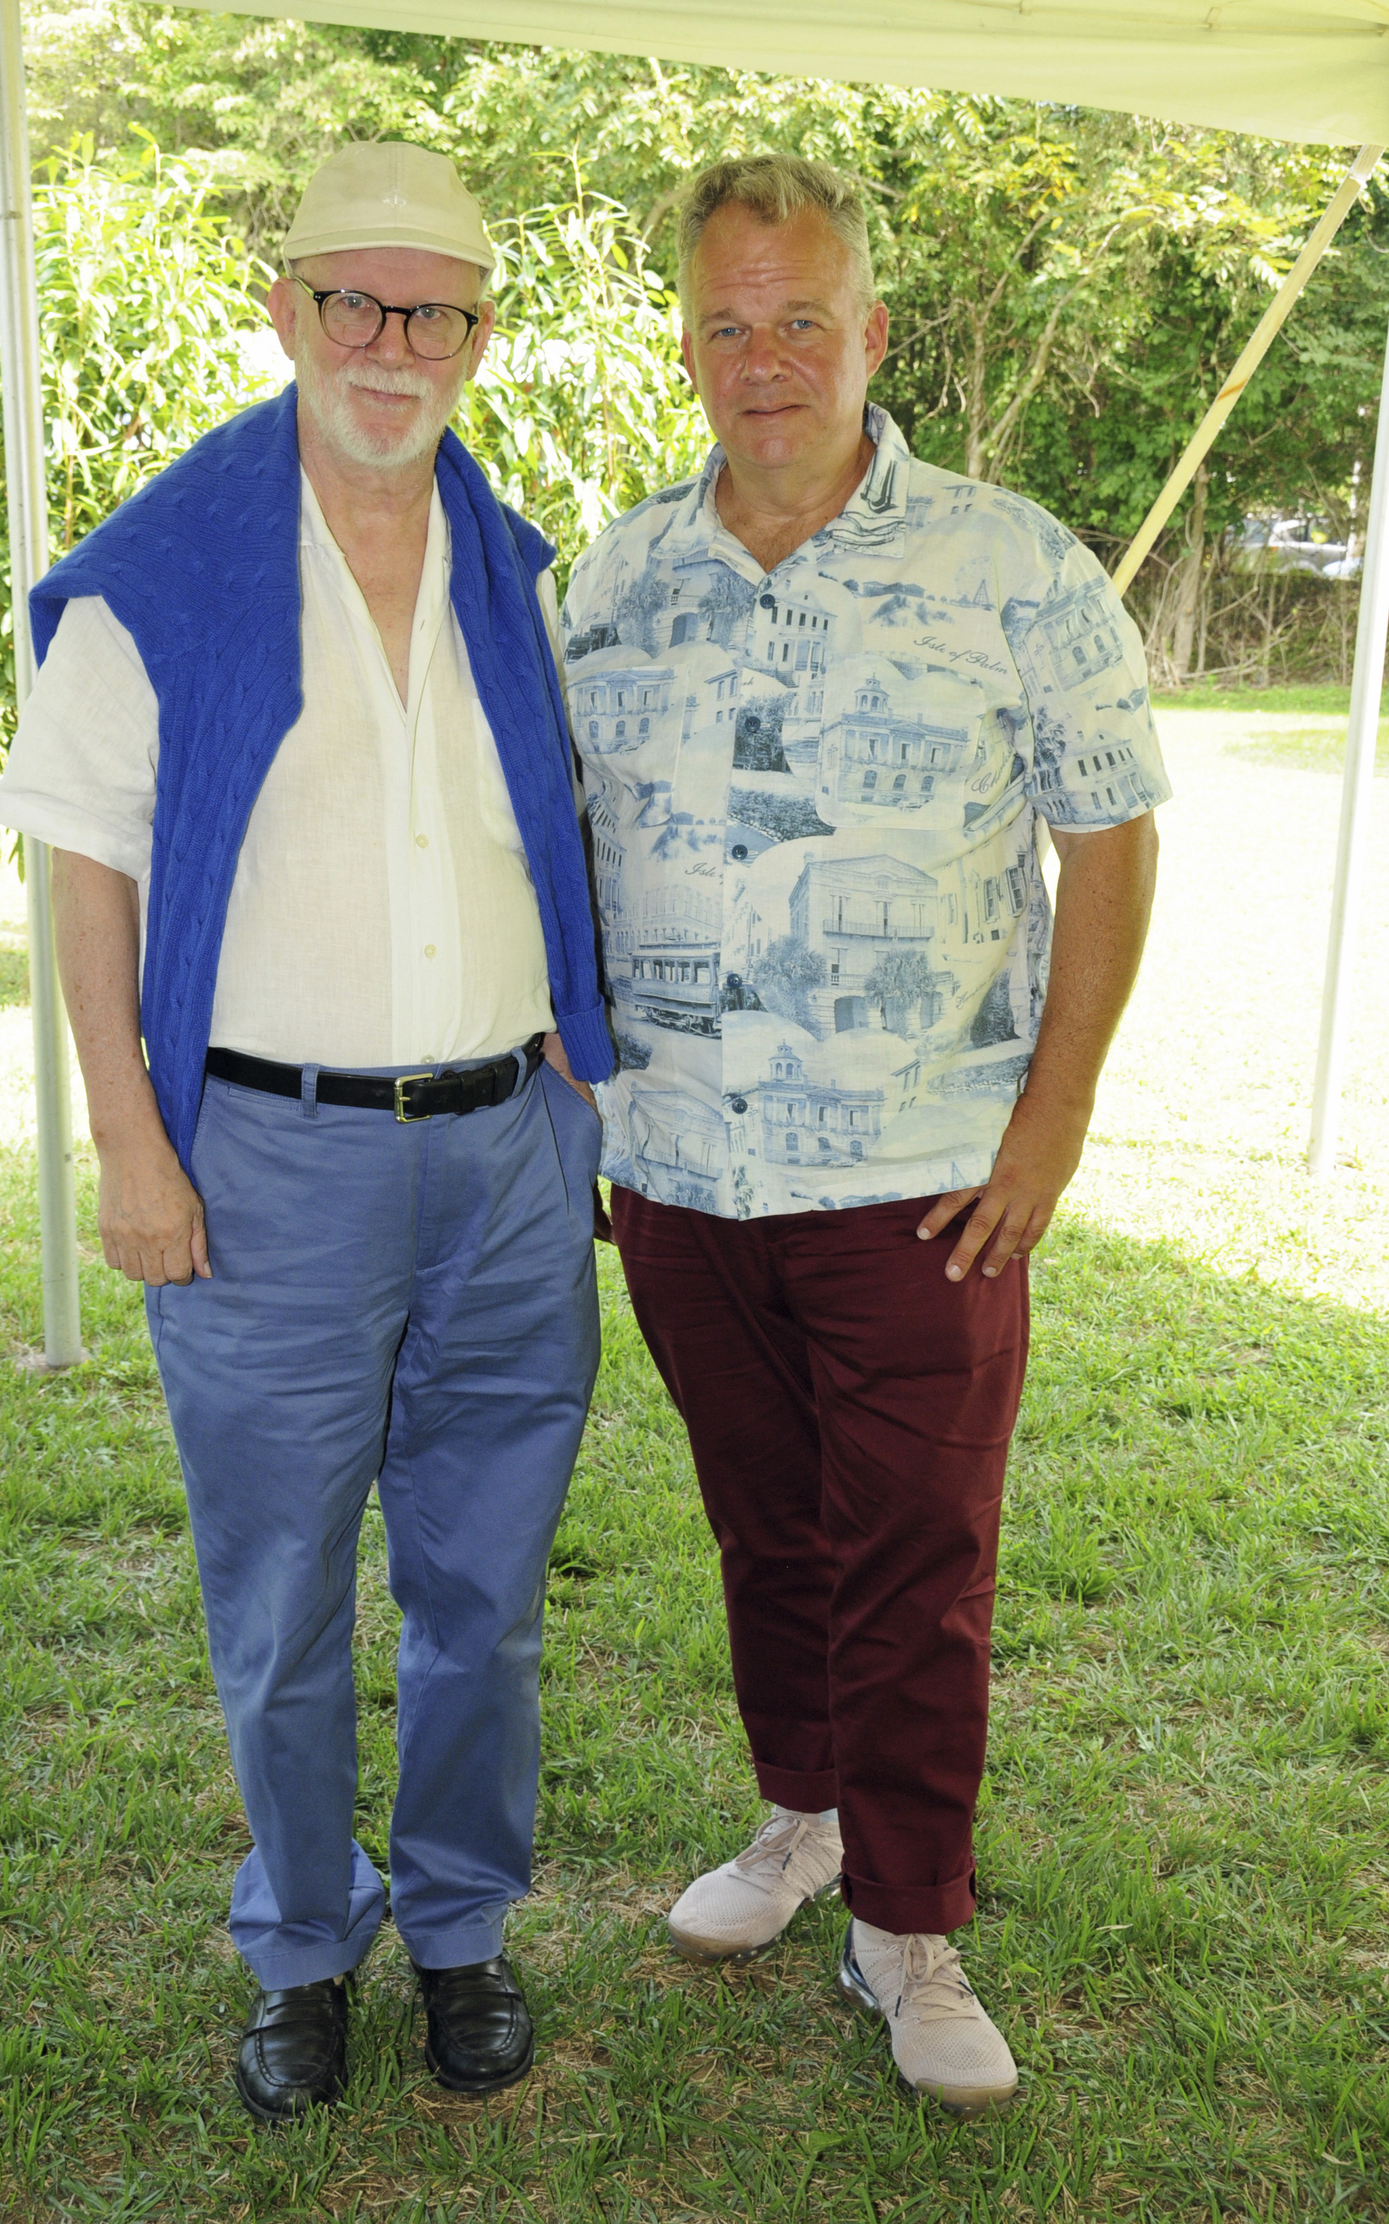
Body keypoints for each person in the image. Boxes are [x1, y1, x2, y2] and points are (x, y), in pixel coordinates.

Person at [0, 141, 612, 2122]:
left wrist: (582, 1066)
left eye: (433, 311)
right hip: (263, 1161)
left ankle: (455, 1929)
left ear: (477, 343)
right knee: (280, 1601)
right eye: (356, 298)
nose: (390, 343)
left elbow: (566, 832)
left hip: (510, 1151)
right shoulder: (164, 569)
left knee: (485, 1594)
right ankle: (295, 1941)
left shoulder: (517, 568)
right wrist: (127, 1141)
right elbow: (84, 867)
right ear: (285, 310)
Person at [561, 154, 1167, 2118]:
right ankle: (802, 1817)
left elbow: (1111, 833)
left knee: (917, 1555)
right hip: (681, 1171)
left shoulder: (1014, 562)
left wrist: (1051, 1123)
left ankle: (909, 1926)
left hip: (924, 1184)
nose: (764, 360)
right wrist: (583, 1096)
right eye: (727, 324)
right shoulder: (612, 574)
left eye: (800, 318)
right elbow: (557, 844)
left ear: (873, 331)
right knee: (768, 1531)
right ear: (686, 341)